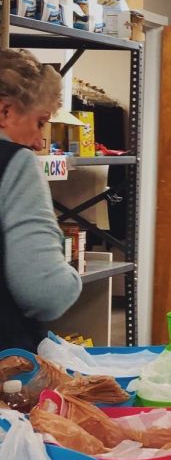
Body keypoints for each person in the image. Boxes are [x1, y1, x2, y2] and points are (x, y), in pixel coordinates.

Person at [0, 48, 82, 350]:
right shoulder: (14, 163)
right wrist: (70, 278)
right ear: (5, 112)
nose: (38, 142)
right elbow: (45, 292)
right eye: (39, 122)